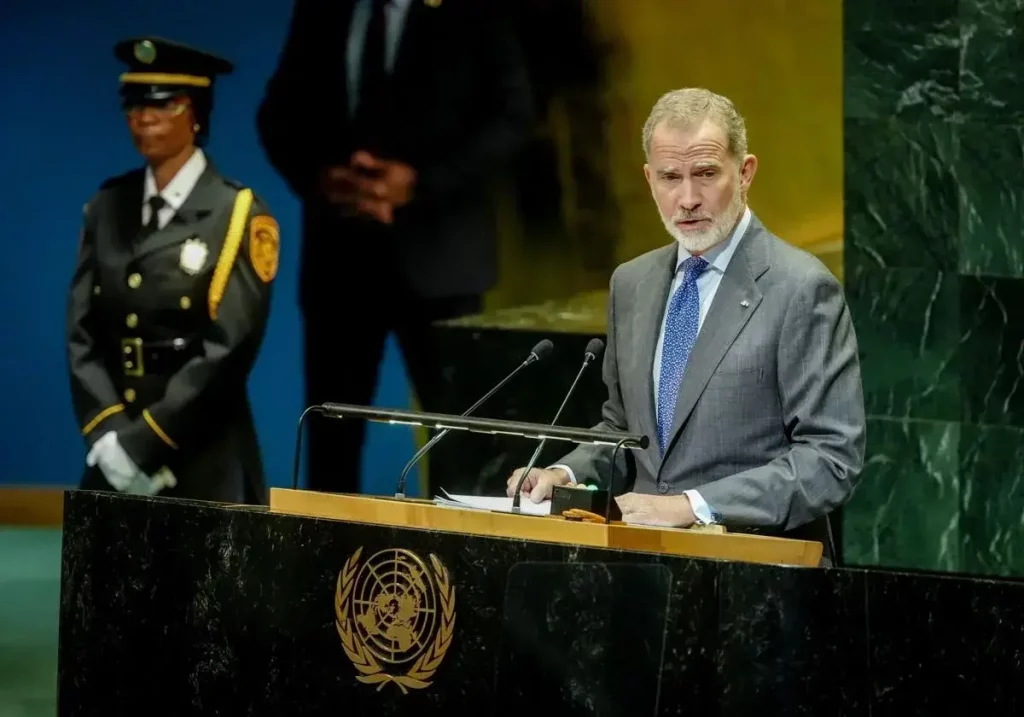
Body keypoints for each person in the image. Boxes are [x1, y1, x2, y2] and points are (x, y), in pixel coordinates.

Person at [507, 88, 865, 560]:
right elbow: (623, 430)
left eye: (706, 174)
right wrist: (565, 474)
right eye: (670, 177)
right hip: (641, 572)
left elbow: (830, 459)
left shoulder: (801, 288)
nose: (688, 198)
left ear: (745, 173)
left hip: (757, 577)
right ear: (649, 178)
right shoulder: (631, 283)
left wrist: (694, 506)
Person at [255, 0, 533, 495]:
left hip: (443, 264)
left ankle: (458, 572)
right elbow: (277, 116)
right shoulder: (323, 11)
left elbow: (511, 117)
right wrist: (325, 179)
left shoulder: (475, 12)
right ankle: (329, 567)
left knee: (460, 443)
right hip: (339, 264)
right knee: (331, 443)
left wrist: (420, 185)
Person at [67, 37, 279, 504]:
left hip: (204, 452)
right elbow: (82, 333)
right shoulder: (107, 206)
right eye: (134, 105)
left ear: (195, 111)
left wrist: (145, 442)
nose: (143, 119)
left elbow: (229, 347)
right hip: (114, 447)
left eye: (163, 105)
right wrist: (109, 437)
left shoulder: (238, 214)